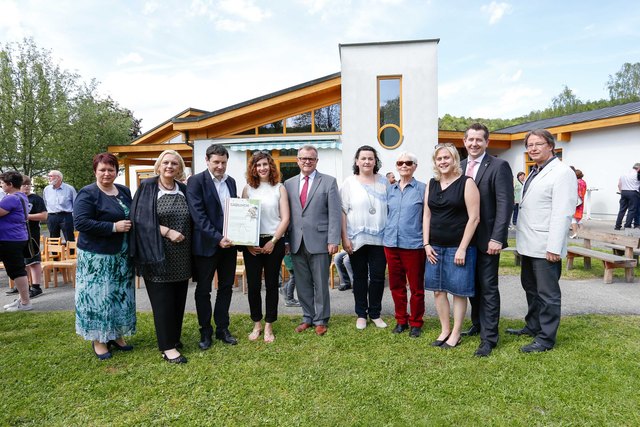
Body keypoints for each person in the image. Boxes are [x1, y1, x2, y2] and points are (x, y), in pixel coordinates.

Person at [510, 129, 577, 353]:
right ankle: (533, 326)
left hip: (546, 245)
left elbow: (562, 212)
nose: (533, 148)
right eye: (530, 145)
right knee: (530, 287)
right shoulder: (535, 171)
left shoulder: (562, 172)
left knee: (548, 294)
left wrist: (554, 247)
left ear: (551, 146)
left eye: (538, 144)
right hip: (529, 243)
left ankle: (546, 338)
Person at [131, 150, 191, 364]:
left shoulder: (183, 189)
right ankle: (166, 347)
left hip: (182, 255)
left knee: (178, 299)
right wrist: (166, 231)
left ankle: (173, 338)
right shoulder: (148, 187)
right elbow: (138, 219)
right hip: (156, 253)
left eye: (174, 163)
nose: (169, 166)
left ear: (179, 168)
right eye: (166, 162)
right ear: (158, 166)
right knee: (162, 301)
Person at [459, 123, 514, 357]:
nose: (474, 144)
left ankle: (489, 337)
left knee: (488, 288)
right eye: (470, 140)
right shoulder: (459, 166)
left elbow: (505, 204)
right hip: (464, 240)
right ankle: (477, 323)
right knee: (471, 287)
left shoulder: (499, 166)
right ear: (464, 142)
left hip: (487, 240)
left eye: (479, 140)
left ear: (486, 142)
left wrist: (497, 238)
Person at [73, 153, 135, 360]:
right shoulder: (88, 193)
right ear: (95, 172)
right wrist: (113, 227)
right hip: (96, 258)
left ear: (117, 171)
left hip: (121, 256)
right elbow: (80, 223)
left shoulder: (124, 191)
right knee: (99, 299)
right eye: (103, 170)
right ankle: (99, 340)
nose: (107, 173)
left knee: (119, 296)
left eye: (111, 169)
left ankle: (116, 335)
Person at [423, 144, 480, 349]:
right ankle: (445, 330)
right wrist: (426, 243)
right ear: (435, 162)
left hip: (459, 247)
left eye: (447, 158)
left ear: (455, 159)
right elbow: (427, 215)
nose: (443, 162)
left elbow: (474, 218)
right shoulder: (432, 183)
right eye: (439, 159)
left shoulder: (467, 183)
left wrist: (463, 248)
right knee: (438, 291)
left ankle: (456, 333)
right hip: (435, 247)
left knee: (458, 291)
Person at [284, 144, 341, 336]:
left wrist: (333, 239)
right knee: (302, 283)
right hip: (296, 241)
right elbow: (286, 215)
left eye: (311, 158)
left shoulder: (329, 182)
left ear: (316, 161)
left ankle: (321, 319)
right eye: (303, 158)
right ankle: (307, 317)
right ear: (297, 160)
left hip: (321, 240)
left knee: (320, 283)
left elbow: (334, 214)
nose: (307, 161)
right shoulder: (289, 184)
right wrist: (286, 241)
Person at [187, 144, 239, 348]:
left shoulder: (231, 182)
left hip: (229, 245)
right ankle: (205, 331)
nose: (220, 166)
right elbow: (198, 215)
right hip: (206, 245)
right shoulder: (196, 181)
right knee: (203, 290)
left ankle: (222, 329)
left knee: (226, 287)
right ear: (207, 161)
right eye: (216, 162)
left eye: (223, 162)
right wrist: (218, 237)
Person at [241, 151, 290, 343]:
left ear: (271, 166)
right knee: (253, 285)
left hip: (273, 241)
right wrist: (248, 243)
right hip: (252, 243)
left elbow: (285, 218)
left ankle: (269, 325)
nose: (262, 168)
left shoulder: (279, 188)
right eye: (258, 165)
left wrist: (274, 241)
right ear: (253, 168)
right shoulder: (247, 189)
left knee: (271, 284)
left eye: (265, 164)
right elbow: (242, 218)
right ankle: (257, 324)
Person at [341, 145, 388, 330]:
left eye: (371, 158)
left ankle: (375, 313)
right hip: (356, 239)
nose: (367, 161)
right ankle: (361, 314)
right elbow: (343, 212)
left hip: (380, 239)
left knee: (377, 278)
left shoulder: (385, 182)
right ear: (357, 161)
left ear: (375, 161)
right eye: (364, 158)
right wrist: (344, 238)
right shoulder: (349, 183)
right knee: (359, 278)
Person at [383, 152, 427, 338]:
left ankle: (416, 322)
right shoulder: (389, 190)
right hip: (391, 243)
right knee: (396, 285)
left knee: (416, 287)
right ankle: (401, 320)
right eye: (400, 163)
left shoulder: (423, 189)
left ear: (415, 166)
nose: (404, 166)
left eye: (408, 163)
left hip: (414, 244)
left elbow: (428, 217)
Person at [1, 171, 33, 312]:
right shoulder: (21, 196)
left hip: (10, 239)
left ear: (10, 184)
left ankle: (25, 303)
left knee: (17, 271)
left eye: (2, 183)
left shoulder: (11, 199)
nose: (1, 185)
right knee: (16, 270)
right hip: (16, 238)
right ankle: (22, 300)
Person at [22, 175, 48, 298]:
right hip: (17, 234)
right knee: (23, 262)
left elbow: (44, 216)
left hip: (32, 234)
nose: (26, 186)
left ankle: (36, 287)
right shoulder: (13, 198)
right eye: (24, 184)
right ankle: (23, 286)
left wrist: (28, 217)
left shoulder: (36, 199)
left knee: (33, 260)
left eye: (28, 184)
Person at [43, 170, 77, 242]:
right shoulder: (46, 189)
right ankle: (55, 253)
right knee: (53, 238)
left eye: (51, 176)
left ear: (58, 178)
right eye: (48, 176)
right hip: (51, 216)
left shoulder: (70, 188)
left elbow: (76, 204)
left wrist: (74, 217)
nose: (49, 178)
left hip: (66, 216)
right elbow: (45, 202)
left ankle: (71, 253)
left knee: (69, 238)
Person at [614, 163, 640, 230]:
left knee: (622, 210)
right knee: (631, 210)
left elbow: (619, 184)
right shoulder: (637, 175)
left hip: (624, 192)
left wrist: (621, 192)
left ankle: (617, 226)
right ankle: (627, 226)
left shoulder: (624, 174)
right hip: (633, 193)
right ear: (639, 168)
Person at [570, 169, 587, 238]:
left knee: (573, 218)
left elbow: (574, 192)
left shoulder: (576, 182)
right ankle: (582, 233)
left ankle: (575, 233)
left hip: (576, 202)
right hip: (581, 201)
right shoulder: (583, 182)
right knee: (579, 218)